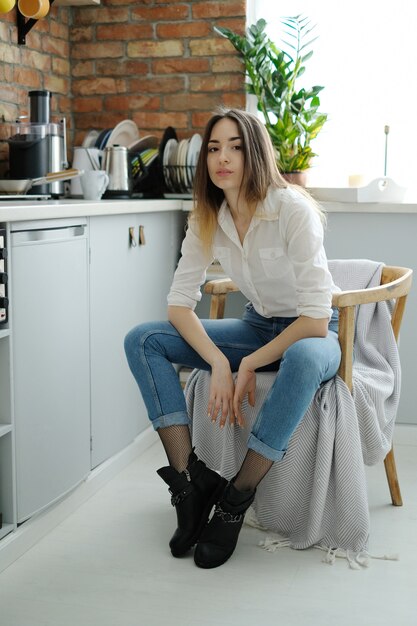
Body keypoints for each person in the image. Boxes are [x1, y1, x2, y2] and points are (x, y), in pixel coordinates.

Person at [124, 107, 341, 569]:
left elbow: (316, 319)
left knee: (302, 357)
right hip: (259, 325)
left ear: (256, 153)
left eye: (236, 147)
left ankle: (234, 497)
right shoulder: (208, 215)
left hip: (314, 333)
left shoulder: (292, 208)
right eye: (215, 148)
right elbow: (179, 305)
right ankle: (190, 481)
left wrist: (245, 363)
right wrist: (218, 361)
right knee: (143, 340)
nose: (223, 158)